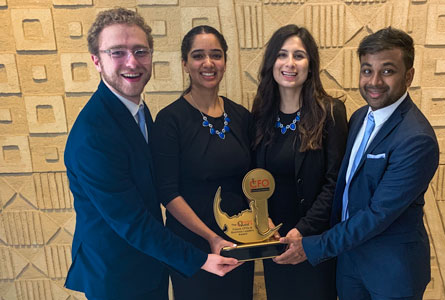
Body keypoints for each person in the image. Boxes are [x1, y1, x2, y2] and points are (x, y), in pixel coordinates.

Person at [64, 8, 239, 300]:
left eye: (140, 51)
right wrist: (200, 258)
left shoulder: (138, 111)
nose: (132, 61)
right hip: (116, 275)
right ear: (96, 60)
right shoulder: (93, 135)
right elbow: (132, 222)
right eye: (117, 52)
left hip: (149, 265)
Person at [275, 27, 439, 300]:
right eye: (366, 70)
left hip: (391, 270)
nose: (374, 81)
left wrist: (312, 246)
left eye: (387, 71)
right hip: (349, 263)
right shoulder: (361, 117)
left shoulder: (416, 139)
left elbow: (377, 215)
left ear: (408, 76)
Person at [151, 25, 253, 300]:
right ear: (184, 63)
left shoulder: (242, 116)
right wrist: (212, 238)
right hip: (193, 247)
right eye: (198, 56)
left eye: (216, 55)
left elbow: (252, 181)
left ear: (225, 62)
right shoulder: (170, 120)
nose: (208, 63)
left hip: (238, 243)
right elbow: (168, 192)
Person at [251, 24, 347, 300]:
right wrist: (262, 221)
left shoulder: (330, 112)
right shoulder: (260, 115)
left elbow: (335, 184)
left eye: (299, 55)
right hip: (274, 241)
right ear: (272, 62)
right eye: (282, 55)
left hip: (314, 244)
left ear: (311, 64)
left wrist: (301, 232)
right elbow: (253, 178)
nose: (289, 63)